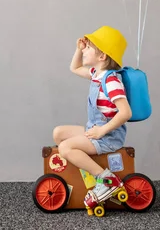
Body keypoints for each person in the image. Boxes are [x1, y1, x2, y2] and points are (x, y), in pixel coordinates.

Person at [52, 25, 132, 210]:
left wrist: (102, 130)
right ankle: (86, 174)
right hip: (95, 129)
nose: (84, 49)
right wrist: (78, 50)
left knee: (65, 147)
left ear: (102, 56)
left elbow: (126, 113)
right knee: (59, 134)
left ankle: (106, 179)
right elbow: (74, 67)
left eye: (89, 47)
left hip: (107, 137)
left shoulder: (111, 81)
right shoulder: (96, 74)